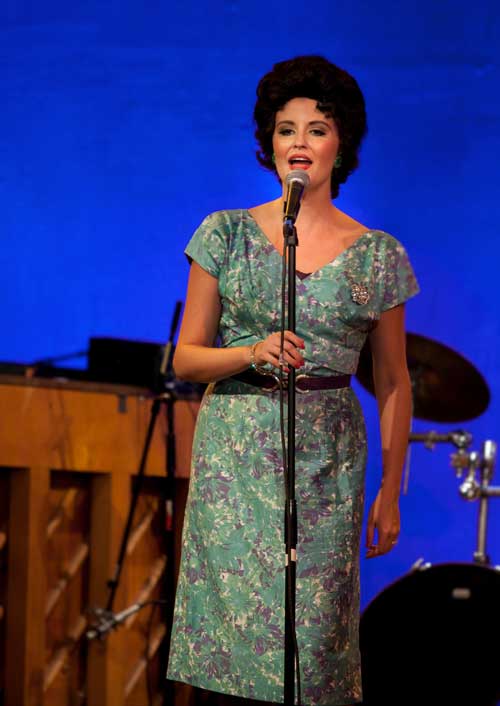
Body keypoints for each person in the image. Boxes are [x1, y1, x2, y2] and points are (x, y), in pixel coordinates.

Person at [166, 55, 419, 706]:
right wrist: (250, 352)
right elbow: (185, 359)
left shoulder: (379, 255)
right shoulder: (224, 234)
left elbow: (394, 381)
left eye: (317, 129)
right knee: (231, 654)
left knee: (316, 647)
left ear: (342, 143)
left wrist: (391, 491)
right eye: (286, 129)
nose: (299, 143)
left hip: (327, 464)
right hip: (234, 464)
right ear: (269, 143)